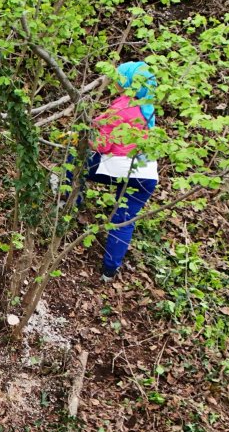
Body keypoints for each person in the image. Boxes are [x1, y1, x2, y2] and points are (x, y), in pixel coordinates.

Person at [66, 61, 160, 281]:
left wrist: (80, 137)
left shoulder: (121, 107)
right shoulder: (147, 108)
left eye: (118, 78)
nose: (114, 82)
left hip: (121, 170)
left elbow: (102, 145)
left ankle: (69, 202)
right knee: (124, 220)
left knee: (75, 160)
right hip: (147, 176)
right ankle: (109, 271)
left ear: (127, 83)